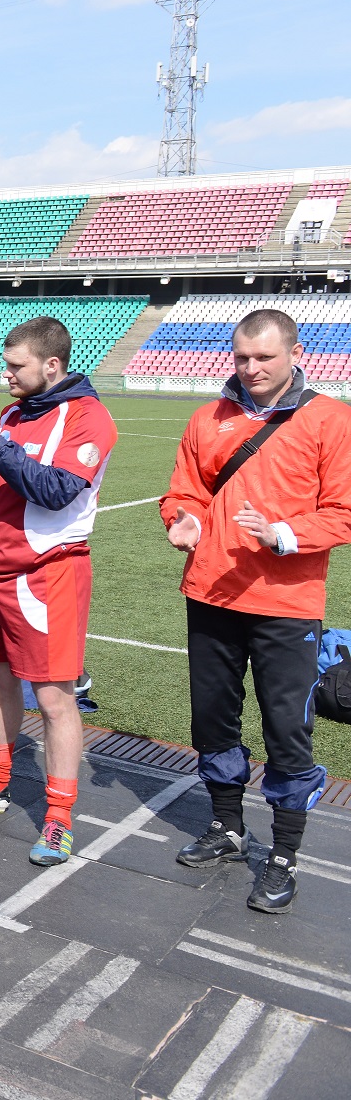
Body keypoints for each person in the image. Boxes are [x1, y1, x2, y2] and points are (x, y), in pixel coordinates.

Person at [161, 308, 351, 914]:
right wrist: (183, 520)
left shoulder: (331, 419)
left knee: (287, 729)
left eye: (264, 357)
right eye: (241, 357)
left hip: (287, 604)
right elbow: (184, 490)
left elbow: (343, 512)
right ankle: (227, 825)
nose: (251, 368)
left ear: (296, 354)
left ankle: (285, 853)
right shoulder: (208, 416)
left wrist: (283, 534)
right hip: (210, 593)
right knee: (212, 719)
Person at [0, 318, 116, 867]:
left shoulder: (89, 417)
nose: (7, 375)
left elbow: (55, 491)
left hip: (47, 575)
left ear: (51, 365)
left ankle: (59, 818)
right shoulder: (13, 413)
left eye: (17, 366)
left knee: (55, 698)